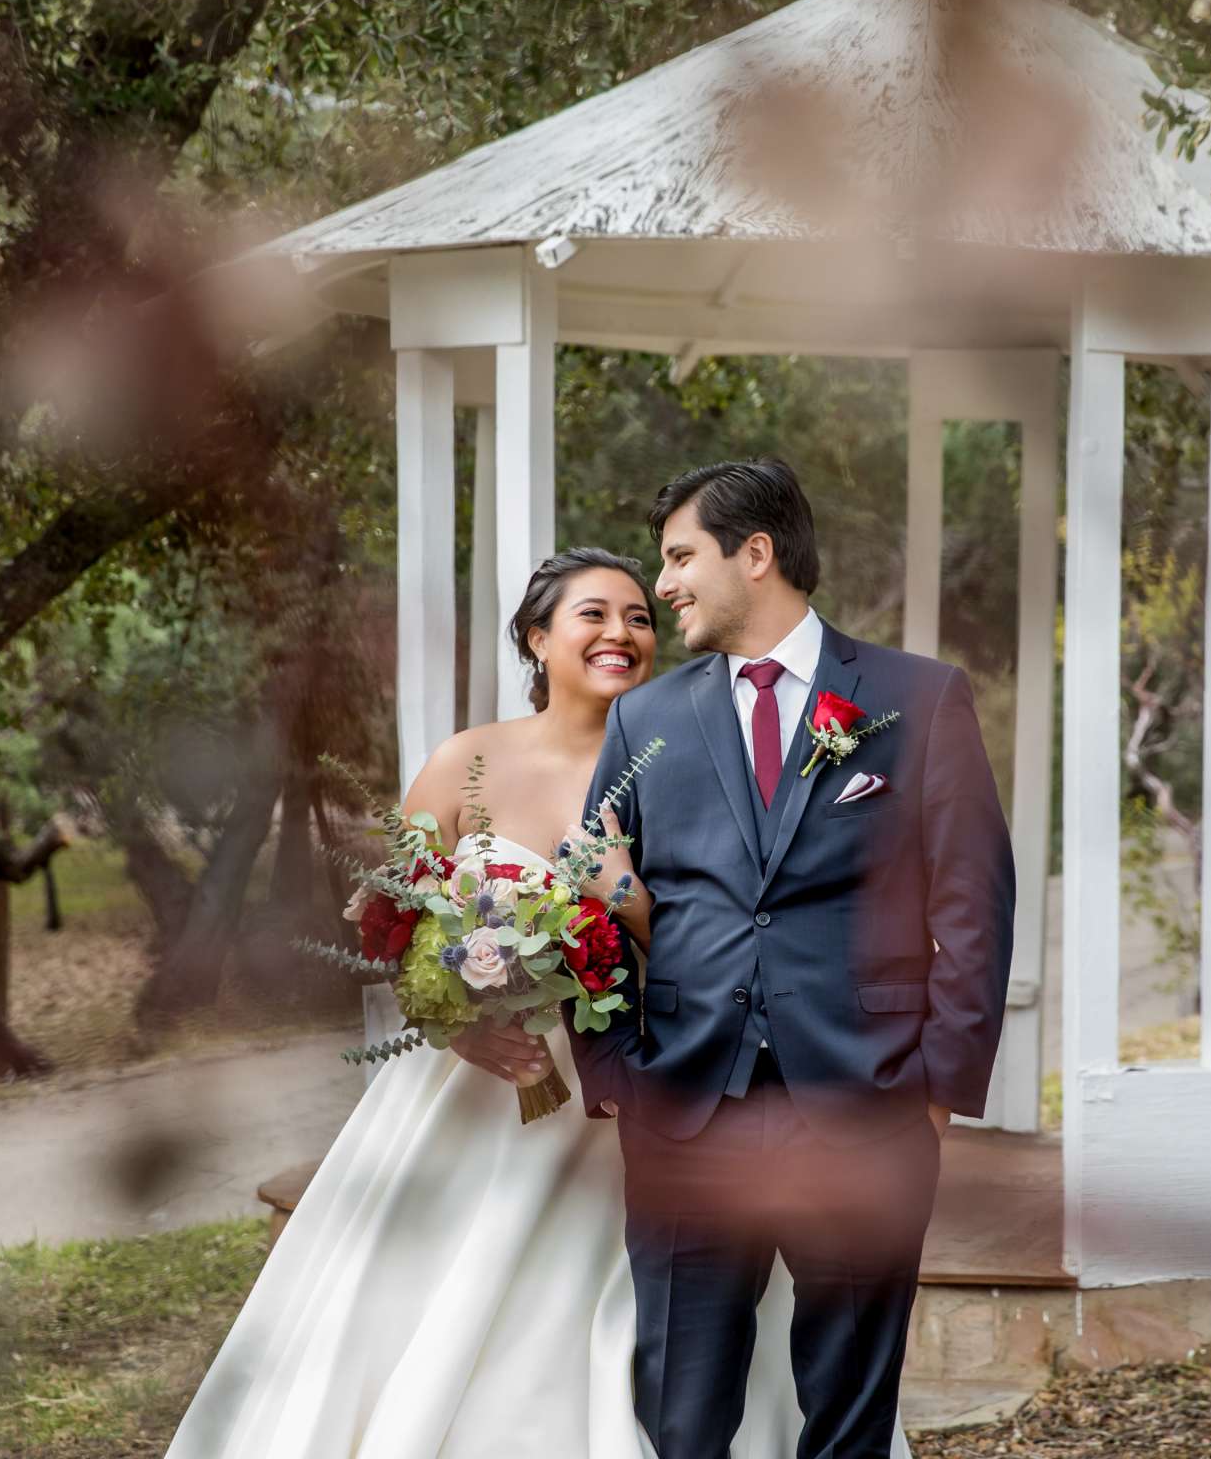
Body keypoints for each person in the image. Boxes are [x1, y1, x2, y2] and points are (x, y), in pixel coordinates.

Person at [162, 546, 910, 1458]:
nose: (622, 633)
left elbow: (734, 942)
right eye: (594, 614)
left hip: (647, 1087)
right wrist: (458, 1022)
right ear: (537, 636)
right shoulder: (463, 762)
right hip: (476, 1098)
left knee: (668, 1318)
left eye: (639, 617)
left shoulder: (693, 761)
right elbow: (390, 924)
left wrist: (628, 900)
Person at [570, 459, 1016, 1459]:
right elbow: (584, 902)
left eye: (682, 556)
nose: (667, 584)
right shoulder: (647, 719)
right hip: (686, 1107)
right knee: (681, 1415)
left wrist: (938, 1086)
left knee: (849, 1413)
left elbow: (973, 901)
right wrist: (612, 1074)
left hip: (868, 1101)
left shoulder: (918, 698)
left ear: (757, 553)